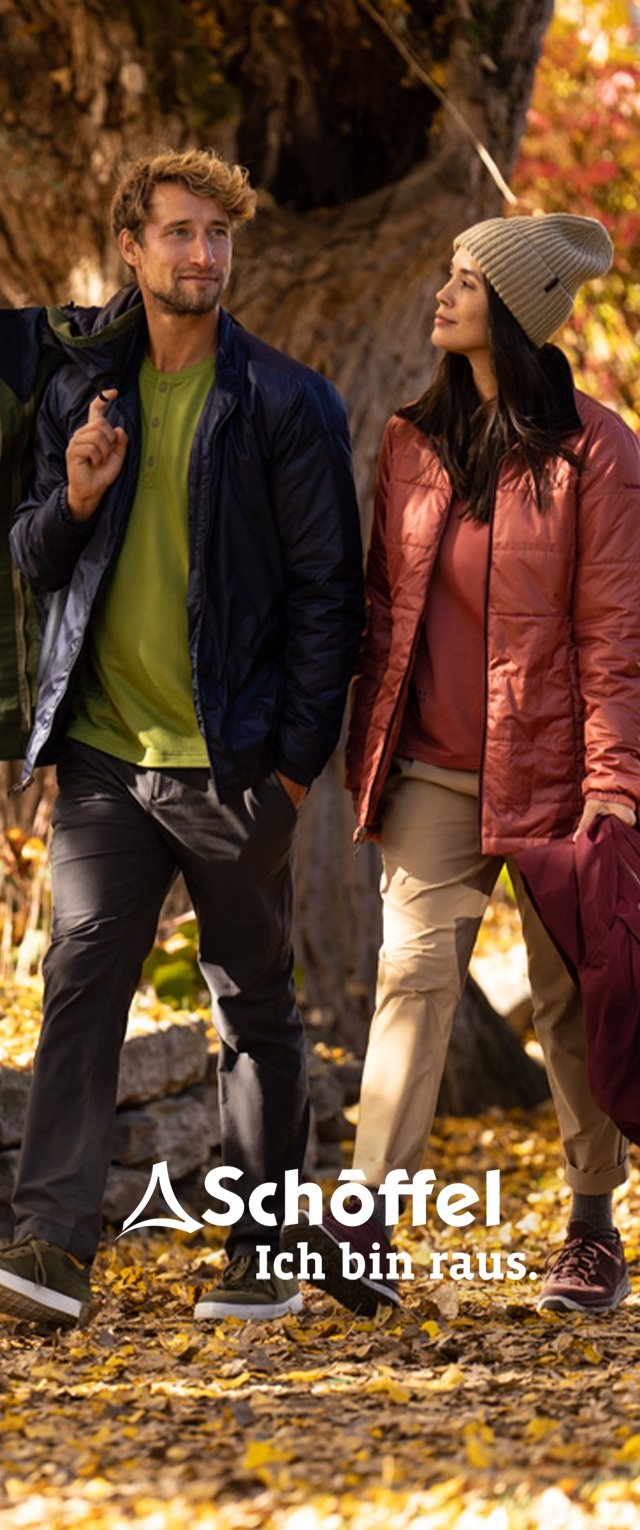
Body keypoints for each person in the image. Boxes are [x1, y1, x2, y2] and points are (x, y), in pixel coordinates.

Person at [0, 148, 363, 1329]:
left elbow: (330, 598)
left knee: (252, 1004)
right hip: (107, 759)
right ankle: (51, 1247)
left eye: (217, 234)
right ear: (131, 246)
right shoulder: (82, 393)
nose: (202, 253)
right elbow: (32, 558)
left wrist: (292, 769)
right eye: (178, 231)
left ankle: (263, 1249)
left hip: (236, 764)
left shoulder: (287, 402)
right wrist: (78, 494)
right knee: (79, 983)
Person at [282, 212, 640, 1318]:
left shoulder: (597, 449)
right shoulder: (412, 440)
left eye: (467, 281)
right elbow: (383, 605)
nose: (443, 294)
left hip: (558, 775)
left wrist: (613, 781)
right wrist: (364, 741)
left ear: (518, 312)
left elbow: (614, 631)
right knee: (412, 976)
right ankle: (365, 1220)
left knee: (567, 1003)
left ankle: (591, 1228)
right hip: (435, 766)